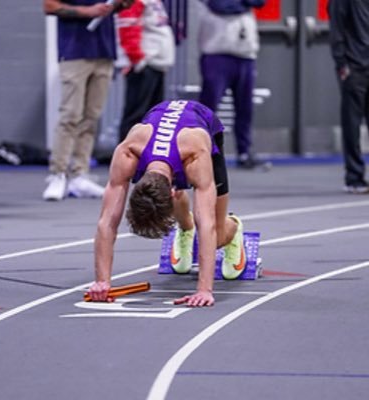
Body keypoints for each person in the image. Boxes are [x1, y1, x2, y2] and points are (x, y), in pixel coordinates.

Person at [87, 99, 247, 307]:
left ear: (171, 192)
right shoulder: (128, 152)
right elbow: (106, 222)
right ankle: (185, 229)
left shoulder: (196, 156)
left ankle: (234, 226)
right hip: (161, 118)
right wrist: (102, 281)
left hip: (201, 124)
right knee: (192, 220)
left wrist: (204, 290)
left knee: (216, 235)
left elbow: (206, 225)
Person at [42, 0, 134, 201]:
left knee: (91, 118)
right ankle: (58, 173)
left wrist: (121, 4)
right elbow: (49, 6)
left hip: (104, 51)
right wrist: (88, 11)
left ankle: (79, 174)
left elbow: (124, 6)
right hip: (74, 52)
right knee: (70, 115)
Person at [198, 0, 267, 169]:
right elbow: (221, 5)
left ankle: (245, 152)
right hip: (217, 53)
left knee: (245, 108)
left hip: (245, 54)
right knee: (208, 107)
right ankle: (198, 150)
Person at [116, 0, 176, 143]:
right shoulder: (135, 1)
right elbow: (127, 26)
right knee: (136, 115)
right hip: (144, 64)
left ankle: (148, 156)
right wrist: (137, 59)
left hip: (156, 63)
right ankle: (127, 158)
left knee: (154, 116)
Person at [328, 0, 369, 194]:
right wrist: (341, 62)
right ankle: (354, 177)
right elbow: (337, 27)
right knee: (352, 123)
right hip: (354, 65)